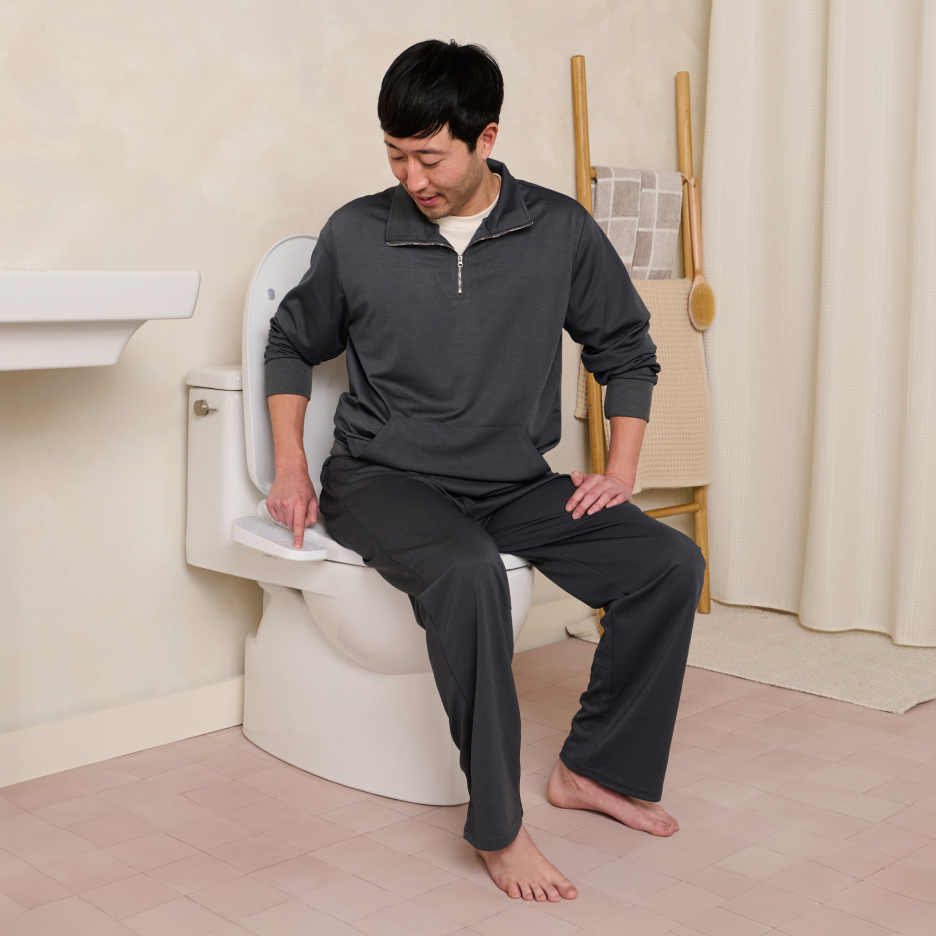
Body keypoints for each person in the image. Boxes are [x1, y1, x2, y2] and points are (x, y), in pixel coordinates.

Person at [263, 39, 706, 903]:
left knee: (667, 564)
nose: (412, 176)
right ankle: (498, 827)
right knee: (465, 574)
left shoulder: (557, 229)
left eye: (429, 155)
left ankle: (595, 770)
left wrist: (620, 466)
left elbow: (625, 346)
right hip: (383, 478)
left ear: (485, 136)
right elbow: (289, 339)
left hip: (509, 482)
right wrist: (291, 467)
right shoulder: (359, 231)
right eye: (395, 155)